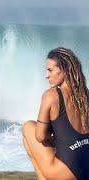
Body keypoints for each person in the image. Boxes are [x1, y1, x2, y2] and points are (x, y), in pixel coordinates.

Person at [22, 47, 89, 180]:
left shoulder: (51, 95)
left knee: (28, 127)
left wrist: (50, 136)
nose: (47, 75)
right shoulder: (86, 96)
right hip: (87, 169)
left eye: (50, 70)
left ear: (64, 70)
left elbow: (40, 137)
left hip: (65, 172)